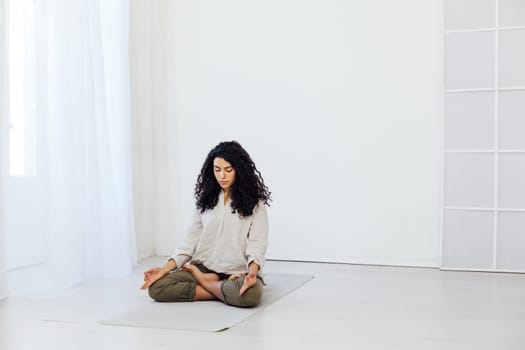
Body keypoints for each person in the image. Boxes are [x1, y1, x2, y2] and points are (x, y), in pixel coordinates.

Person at [140, 140, 271, 308]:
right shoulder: (205, 200)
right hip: (204, 268)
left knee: (250, 295)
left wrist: (252, 273)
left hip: (238, 272)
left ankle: (208, 284)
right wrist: (164, 269)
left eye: (228, 170)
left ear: (239, 170)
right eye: (217, 170)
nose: (222, 176)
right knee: (156, 288)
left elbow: (257, 245)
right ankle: (221, 290)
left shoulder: (256, 203)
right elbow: (189, 243)